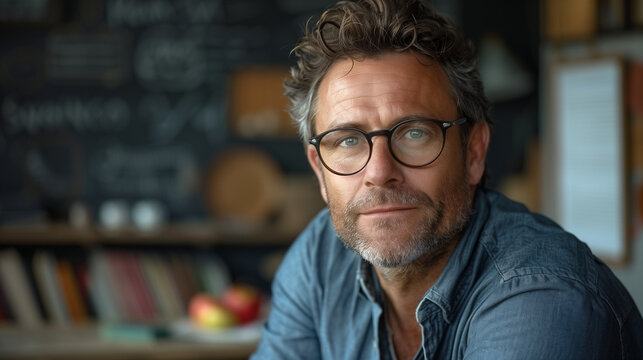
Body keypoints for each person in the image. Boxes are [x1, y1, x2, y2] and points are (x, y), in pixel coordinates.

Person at [251, 0, 643, 358]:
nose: (380, 172)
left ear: (473, 152)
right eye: (348, 140)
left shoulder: (543, 297)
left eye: (414, 133)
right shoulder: (320, 258)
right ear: (320, 170)